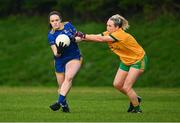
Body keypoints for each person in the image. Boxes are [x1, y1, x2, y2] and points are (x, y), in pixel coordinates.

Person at [75, 14, 148, 113]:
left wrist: (83, 35)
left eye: (110, 26)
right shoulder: (110, 33)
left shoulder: (120, 34)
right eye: (107, 25)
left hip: (138, 60)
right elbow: (97, 36)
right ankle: (135, 98)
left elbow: (101, 39)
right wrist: (80, 38)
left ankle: (137, 110)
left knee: (127, 87)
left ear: (117, 27)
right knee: (117, 84)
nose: (107, 27)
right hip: (126, 60)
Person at [47, 11, 82, 112]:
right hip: (60, 60)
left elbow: (78, 35)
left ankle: (58, 102)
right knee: (61, 86)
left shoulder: (68, 25)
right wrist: (59, 50)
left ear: (60, 20)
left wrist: (77, 39)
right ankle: (64, 104)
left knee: (69, 77)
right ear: (50, 23)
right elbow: (55, 53)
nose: (55, 23)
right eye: (52, 21)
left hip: (74, 56)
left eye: (57, 20)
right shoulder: (51, 35)